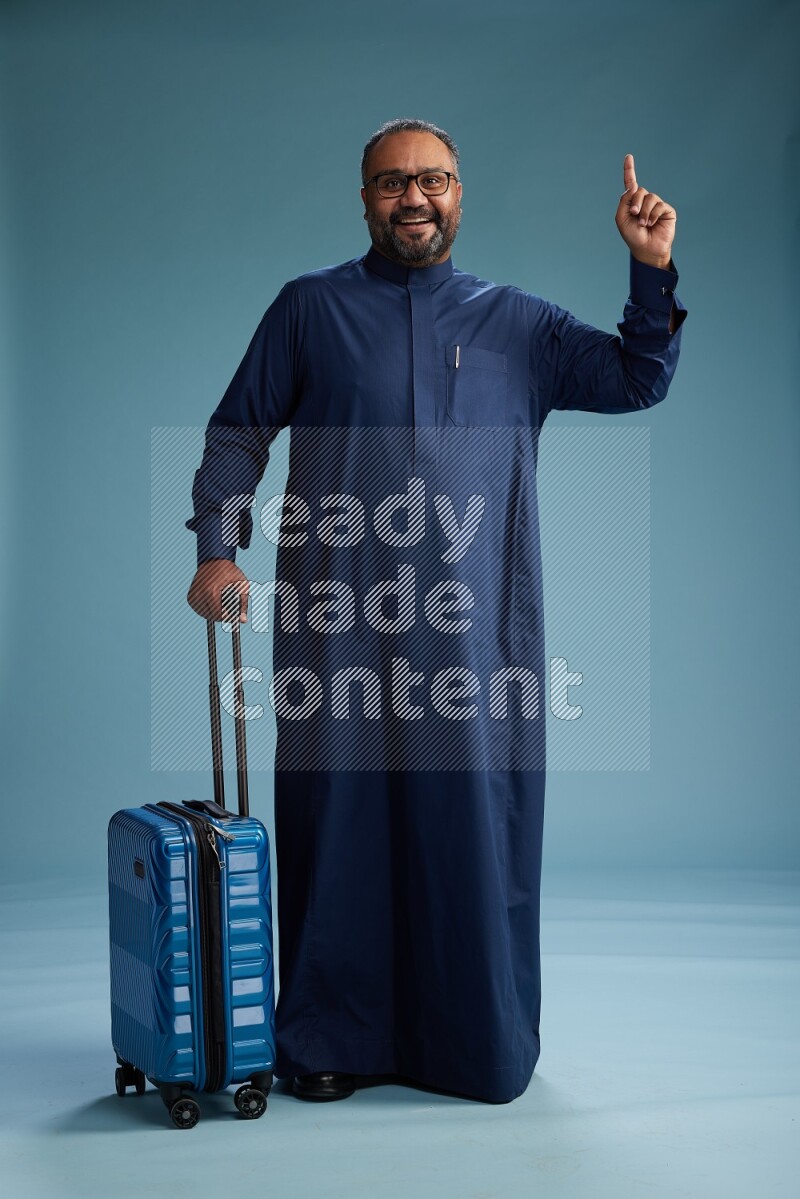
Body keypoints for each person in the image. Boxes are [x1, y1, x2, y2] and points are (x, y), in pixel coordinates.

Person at [186, 117, 687, 1104]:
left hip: (475, 633)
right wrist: (216, 547)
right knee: (339, 822)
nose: (412, 198)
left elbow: (637, 378)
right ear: (363, 199)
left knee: (472, 826)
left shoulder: (521, 325)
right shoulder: (309, 310)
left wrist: (649, 270)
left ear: (461, 195)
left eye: (433, 181)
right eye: (390, 183)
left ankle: (477, 1041)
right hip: (337, 620)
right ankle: (330, 1033)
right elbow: (238, 432)